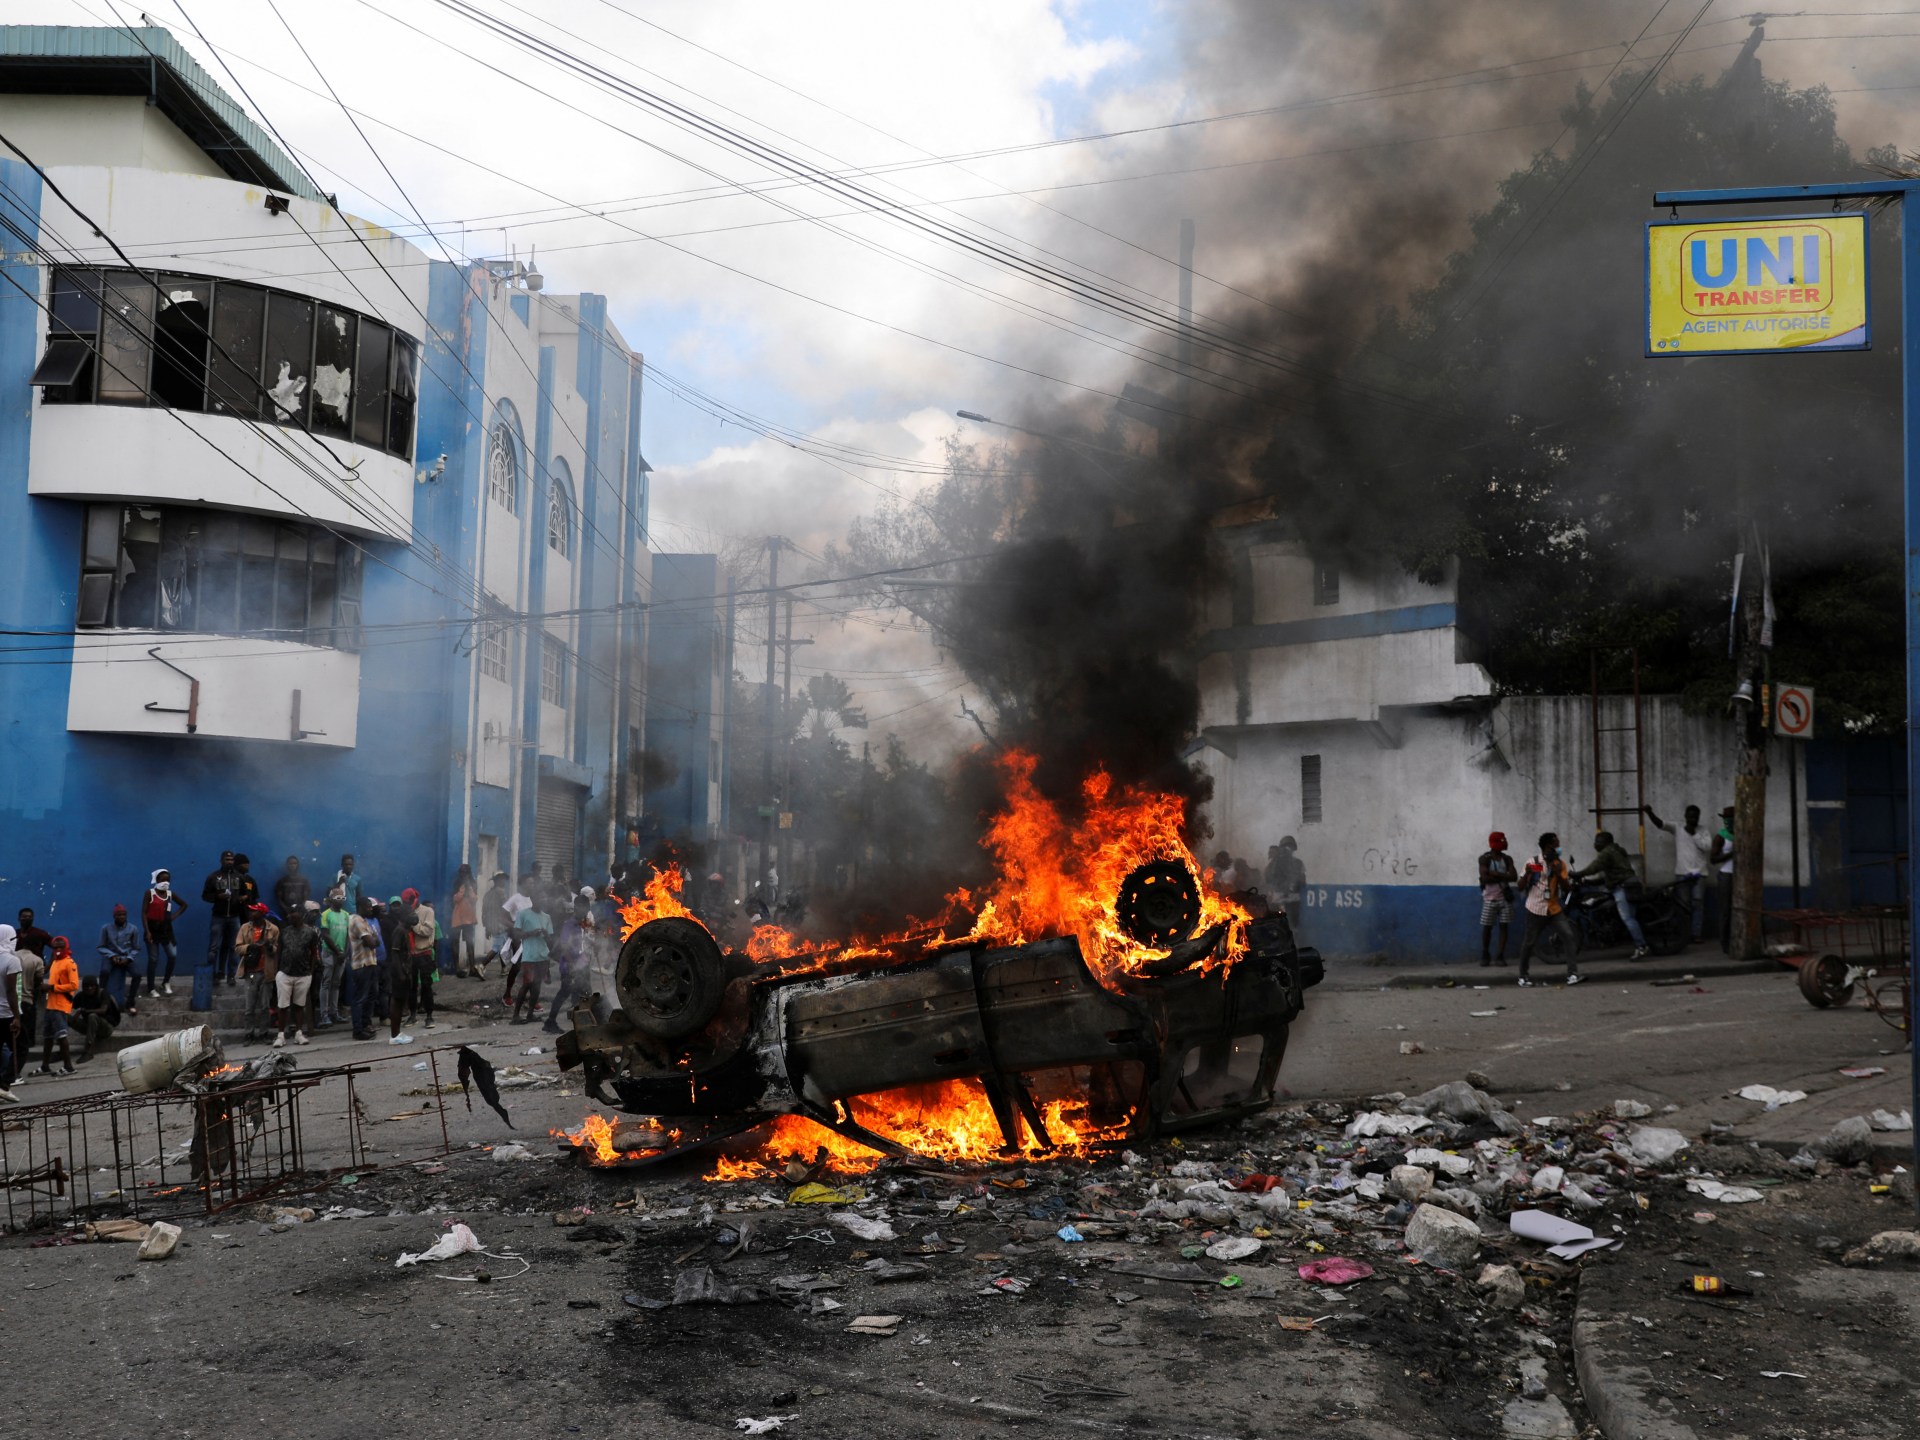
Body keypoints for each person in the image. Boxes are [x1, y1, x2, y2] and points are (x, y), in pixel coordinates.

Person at [1516, 832, 1582, 988]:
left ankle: (1572, 974)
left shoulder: (1560, 864)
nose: (1558, 848)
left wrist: (1558, 873)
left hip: (1553, 908)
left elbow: (1566, 887)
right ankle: (1523, 976)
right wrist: (1528, 874)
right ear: (1548, 847)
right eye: (1556, 845)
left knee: (1568, 935)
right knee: (1529, 942)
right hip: (1535, 908)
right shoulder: (1533, 862)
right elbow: (1520, 885)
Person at [1644, 803, 1712, 944]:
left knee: (1698, 904)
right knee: (1683, 905)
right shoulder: (1677, 827)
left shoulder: (1703, 830)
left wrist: (1694, 834)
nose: (1693, 819)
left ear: (1698, 817)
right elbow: (1660, 824)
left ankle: (1696, 934)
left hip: (1700, 874)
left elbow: (1707, 847)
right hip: (1682, 873)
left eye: (1695, 817)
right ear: (1685, 817)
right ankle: (1684, 934)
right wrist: (1649, 812)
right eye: (1690, 816)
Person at [1575, 831, 1649, 959]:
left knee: (1628, 918)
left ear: (1606, 841)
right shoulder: (1616, 851)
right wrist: (1589, 882)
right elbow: (1611, 875)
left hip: (1623, 887)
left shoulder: (1607, 852)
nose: (1595, 844)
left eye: (1598, 841)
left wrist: (1577, 874)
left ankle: (1641, 946)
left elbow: (1594, 868)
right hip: (1628, 885)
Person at [272, 904, 319, 1048]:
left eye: (293, 913)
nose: (290, 916)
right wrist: (276, 972)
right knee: (283, 1006)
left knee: (299, 1005)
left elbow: (313, 953)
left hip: (303, 974)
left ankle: (299, 1033)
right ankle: (280, 1036)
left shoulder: (310, 933)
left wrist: (310, 971)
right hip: (285, 973)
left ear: (301, 914)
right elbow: (278, 952)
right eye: (289, 913)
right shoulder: (284, 932)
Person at [234, 903, 280, 1044]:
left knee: (265, 1006)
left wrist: (269, 947)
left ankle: (264, 1033)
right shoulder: (245, 928)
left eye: (254, 911)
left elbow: (276, 949)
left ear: (262, 913)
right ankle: (249, 1034)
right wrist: (250, 947)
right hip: (251, 972)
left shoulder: (273, 929)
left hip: (267, 972)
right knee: (250, 1006)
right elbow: (237, 947)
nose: (250, 913)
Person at [139, 869, 187, 1000]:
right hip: (152, 929)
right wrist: (147, 931)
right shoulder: (150, 893)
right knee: (153, 959)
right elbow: (144, 913)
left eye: (167, 880)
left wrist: (173, 916)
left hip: (166, 930)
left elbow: (184, 905)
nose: (165, 882)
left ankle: (166, 982)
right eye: (162, 880)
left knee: (172, 955)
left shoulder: (170, 894)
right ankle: (151, 988)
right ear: (156, 880)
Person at [34, 936, 79, 1074]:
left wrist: (52, 987)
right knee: (48, 1036)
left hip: (60, 1004)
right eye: (55, 947)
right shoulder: (55, 962)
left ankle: (68, 1066)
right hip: (51, 1004)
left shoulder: (69, 963)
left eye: (61, 947)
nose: (58, 950)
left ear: (66, 947)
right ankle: (45, 1066)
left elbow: (74, 985)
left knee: (61, 1035)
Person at [201, 850, 246, 985]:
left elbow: (245, 894)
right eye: (227, 860)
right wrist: (217, 897)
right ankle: (212, 975)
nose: (229, 862)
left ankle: (231, 976)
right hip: (218, 917)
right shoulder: (213, 877)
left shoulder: (239, 877)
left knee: (234, 948)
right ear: (221, 861)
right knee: (213, 948)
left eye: (231, 860)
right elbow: (205, 896)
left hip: (234, 917)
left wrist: (241, 898)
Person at [1477, 832, 1519, 967]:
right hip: (1489, 898)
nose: (1505, 842)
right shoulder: (1485, 858)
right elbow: (1484, 878)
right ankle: (1485, 953)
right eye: (1503, 840)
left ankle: (1500, 955)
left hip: (1505, 898)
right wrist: (1503, 875)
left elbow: (1514, 877)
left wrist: (1495, 874)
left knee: (1504, 926)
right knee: (1487, 927)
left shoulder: (1507, 859)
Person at [510, 896, 553, 1024]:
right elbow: (516, 934)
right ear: (534, 900)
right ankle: (515, 1016)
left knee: (537, 985)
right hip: (529, 955)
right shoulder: (523, 914)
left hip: (543, 956)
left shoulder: (547, 917)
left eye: (544, 899)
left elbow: (550, 941)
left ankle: (530, 1014)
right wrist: (530, 933)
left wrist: (545, 935)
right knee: (527, 984)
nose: (543, 901)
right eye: (541, 898)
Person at [403, 888, 438, 1030]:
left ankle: (429, 1016)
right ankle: (412, 1015)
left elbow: (427, 931)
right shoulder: (406, 912)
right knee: (411, 987)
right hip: (411, 954)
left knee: (426, 986)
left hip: (424, 952)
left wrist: (413, 924)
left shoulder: (427, 912)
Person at [347, 898, 382, 1040]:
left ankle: (366, 1024)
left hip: (370, 963)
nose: (371, 909)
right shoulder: (356, 920)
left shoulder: (365, 920)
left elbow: (376, 940)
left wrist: (374, 941)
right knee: (360, 998)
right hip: (361, 965)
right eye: (368, 907)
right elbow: (371, 942)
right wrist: (373, 941)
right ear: (360, 907)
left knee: (372, 995)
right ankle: (358, 1030)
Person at [97, 904, 142, 1014]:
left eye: (123, 915)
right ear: (114, 916)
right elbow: (100, 947)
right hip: (111, 956)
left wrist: (129, 958)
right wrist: (112, 956)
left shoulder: (133, 929)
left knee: (137, 975)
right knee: (104, 972)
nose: (121, 917)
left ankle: (130, 1003)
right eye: (119, 915)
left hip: (126, 957)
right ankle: (99, 999)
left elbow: (136, 948)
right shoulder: (106, 928)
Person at [316, 892, 351, 1029]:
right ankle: (324, 1015)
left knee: (336, 983)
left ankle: (334, 1012)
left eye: (343, 898)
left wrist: (345, 952)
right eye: (338, 898)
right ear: (331, 900)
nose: (341, 900)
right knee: (326, 983)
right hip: (329, 953)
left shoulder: (346, 915)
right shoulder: (325, 914)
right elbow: (325, 935)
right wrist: (338, 952)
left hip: (342, 954)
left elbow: (348, 935)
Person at [68, 976, 120, 1062]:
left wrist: (84, 1011)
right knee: (64, 1016)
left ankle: (88, 1052)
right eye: (86, 986)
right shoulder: (81, 996)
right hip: (89, 1027)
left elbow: (103, 1010)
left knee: (92, 1016)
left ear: (96, 986)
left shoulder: (103, 993)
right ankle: (62, 1048)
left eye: (92, 986)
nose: (89, 988)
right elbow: (69, 1005)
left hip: (105, 1028)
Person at [1712, 805, 1737, 953]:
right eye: (1726, 819)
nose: (1728, 822)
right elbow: (1713, 859)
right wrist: (1731, 854)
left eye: (1731, 819)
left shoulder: (1742, 834)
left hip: (1740, 877)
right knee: (1725, 911)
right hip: (1726, 875)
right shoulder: (1720, 836)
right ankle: (1725, 943)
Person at [0, 926, 22, 1088]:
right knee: (21, 1047)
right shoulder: (11, 960)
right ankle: (5, 1084)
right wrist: (16, 1016)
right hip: (6, 1013)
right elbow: (11, 990)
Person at [479, 870, 511, 980]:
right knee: (497, 947)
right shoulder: (501, 892)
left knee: (503, 946)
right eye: (501, 879)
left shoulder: (488, 894)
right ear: (496, 881)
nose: (503, 881)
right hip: (500, 923)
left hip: (492, 924)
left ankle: (504, 968)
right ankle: (481, 965)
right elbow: (507, 909)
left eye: (503, 878)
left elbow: (484, 912)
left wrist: (486, 927)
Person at [449, 864, 479, 978]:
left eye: (465, 872)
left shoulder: (473, 883)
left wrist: (469, 888)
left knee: (470, 942)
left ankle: (472, 967)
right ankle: (457, 968)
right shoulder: (457, 883)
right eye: (461, 872)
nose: (463, 874)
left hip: (469, 916)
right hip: (457, 915)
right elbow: (455, 898)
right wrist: (462, 889)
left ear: (468, 873)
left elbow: (474, 899)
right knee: (455, 941)